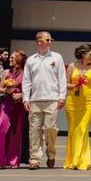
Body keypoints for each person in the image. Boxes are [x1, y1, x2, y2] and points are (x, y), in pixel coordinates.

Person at [22, 31, 67, 170]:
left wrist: (62, 96)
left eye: (51, 40)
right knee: (34, 131)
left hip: (52, 99)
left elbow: (62, 78)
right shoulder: (31, 59)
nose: (50, 42)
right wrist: (26, 98)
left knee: (50, 128)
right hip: (35, 99)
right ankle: (35, 159)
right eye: (47, 39)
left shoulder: (57, 57)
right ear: (39, 41)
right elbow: (26, 80)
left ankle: (51, 154)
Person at [63, 44, 91, 170]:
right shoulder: (72, 67)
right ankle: (72, 160)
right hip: (72, 101)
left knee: (82, 128)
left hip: (89, 101)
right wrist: (73, 86)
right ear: (83, 54)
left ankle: (79, 161)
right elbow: (65, 83)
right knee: (73, 129)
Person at [0, 50, 28, 169]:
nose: (10, 59)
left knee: (16, 133)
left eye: (13, 57)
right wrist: (6, 90)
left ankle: (13, 161)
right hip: (6, 104)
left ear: (19, 60)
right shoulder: (6, 72)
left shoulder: (26, 73)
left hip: (19, 106)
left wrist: (21, 95)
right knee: (2, 130)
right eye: (10, 57)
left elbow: (30, 90)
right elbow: (0, 89)